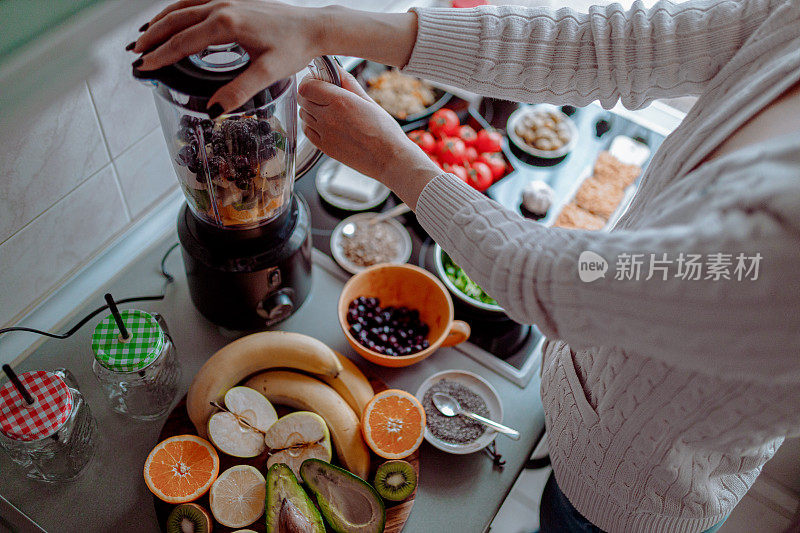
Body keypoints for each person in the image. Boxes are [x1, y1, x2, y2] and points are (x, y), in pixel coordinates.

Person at [130, 0, 800, 531]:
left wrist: (397, 164)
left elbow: (564, 281)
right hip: (576, 384)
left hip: (632, 491)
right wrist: (317, 25)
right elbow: (605, 45)